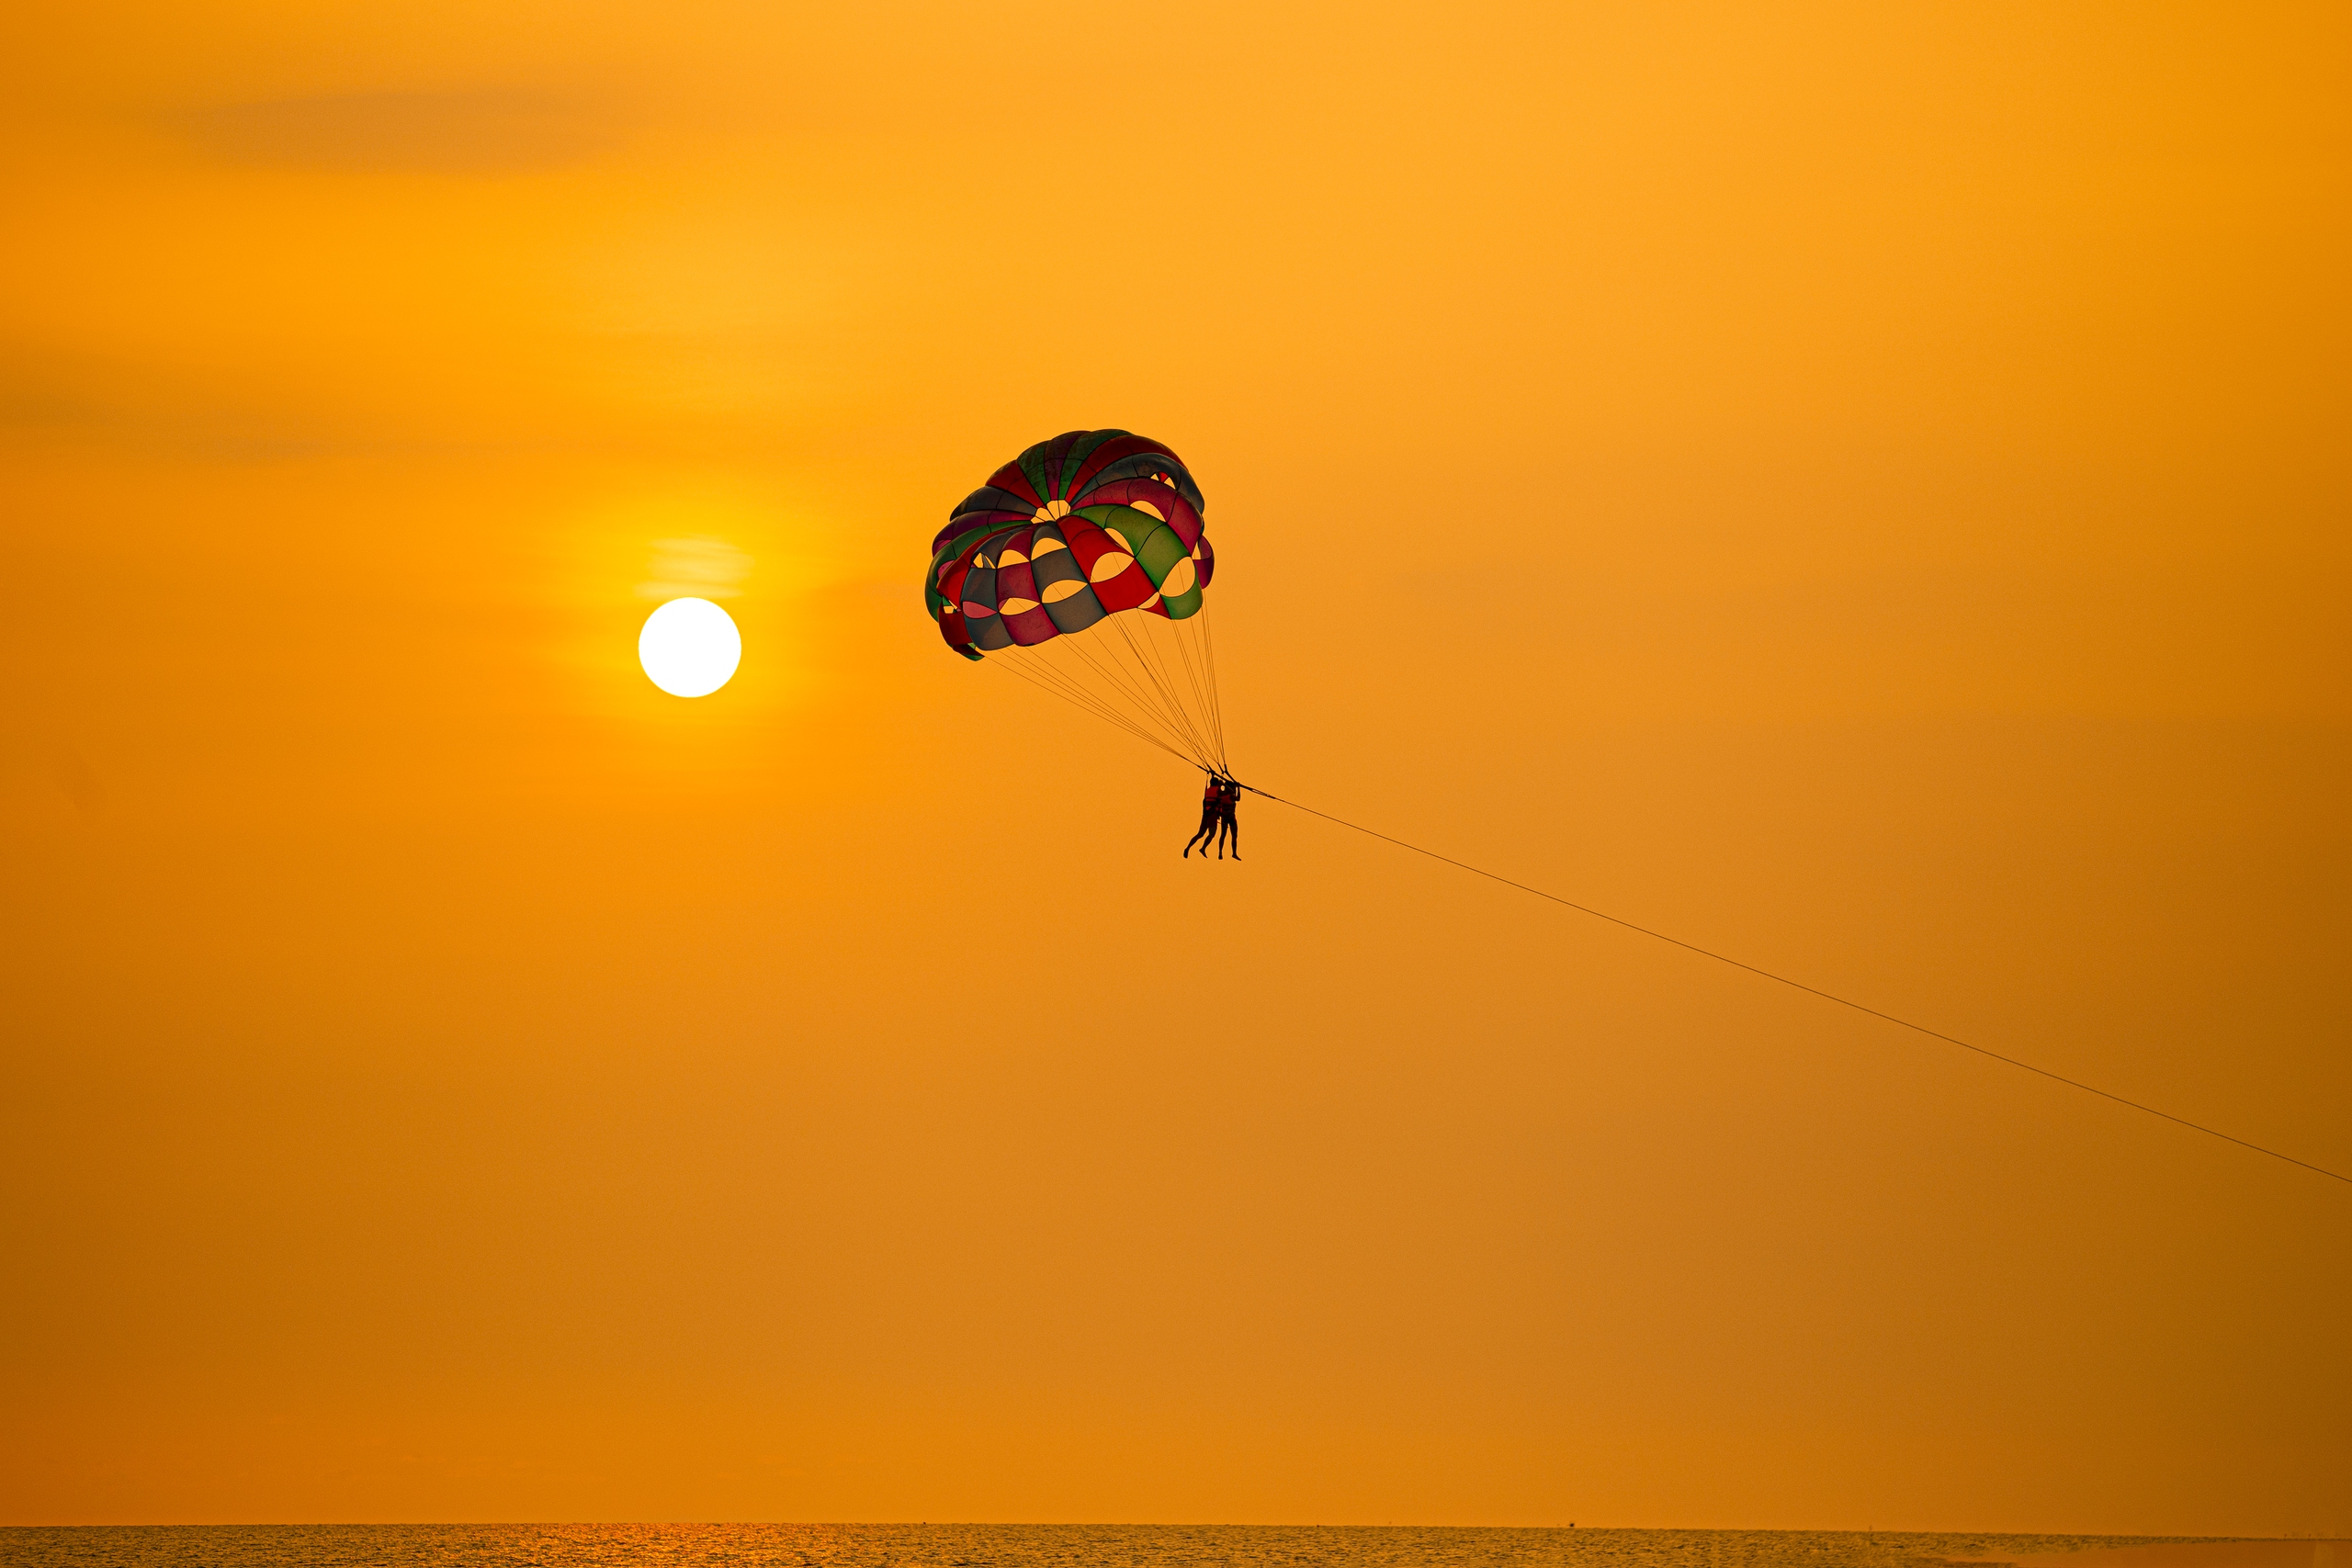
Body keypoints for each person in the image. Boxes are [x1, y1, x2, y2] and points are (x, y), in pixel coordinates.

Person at [1182, 773, 1222, 858]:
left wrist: (1212, 775)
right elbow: (1226, 791)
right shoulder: (1218, 790)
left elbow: (1212, 790)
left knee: (1200, 834)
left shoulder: (1208, 790)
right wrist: (1223, 784)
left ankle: (1188, 847)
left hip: (1205, 814)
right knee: (1212, 834)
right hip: (1212, 815)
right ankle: (1203, 848)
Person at [1214, 775, 1241, 860]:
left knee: (1223, 835)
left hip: (1224, 818)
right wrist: (1239, 788)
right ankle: (1234, 853)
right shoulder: (1231, 796)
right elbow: (1238, 798)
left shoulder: (1221, 795)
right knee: (1234, 836)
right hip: (1231, 817)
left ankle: (1220, 852)